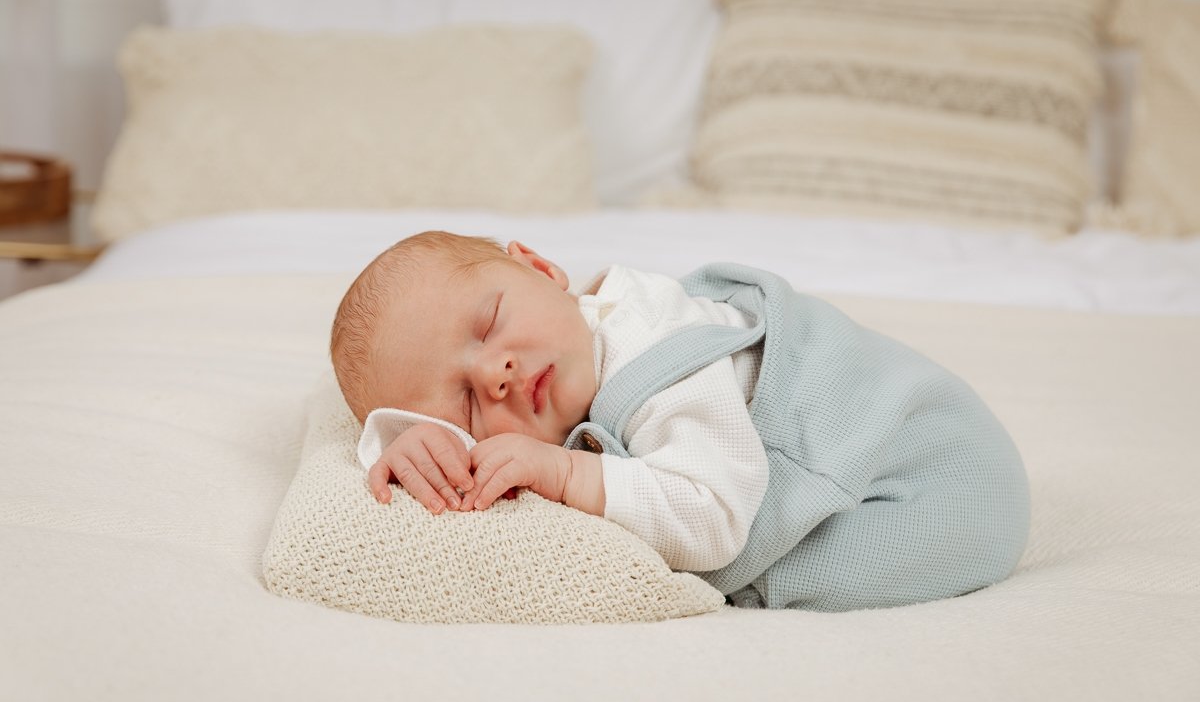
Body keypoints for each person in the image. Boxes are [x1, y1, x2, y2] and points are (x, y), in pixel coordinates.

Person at [331, 230, 1030, 611]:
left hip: (940, 488)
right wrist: (410, 438)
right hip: (943, 464)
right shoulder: (578, 345)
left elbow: (713, 521)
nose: (496, 373)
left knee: (745, 581)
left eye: (489, 321)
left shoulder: (660, 360)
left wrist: (571, 469)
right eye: (465, 405)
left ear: (543, 269)